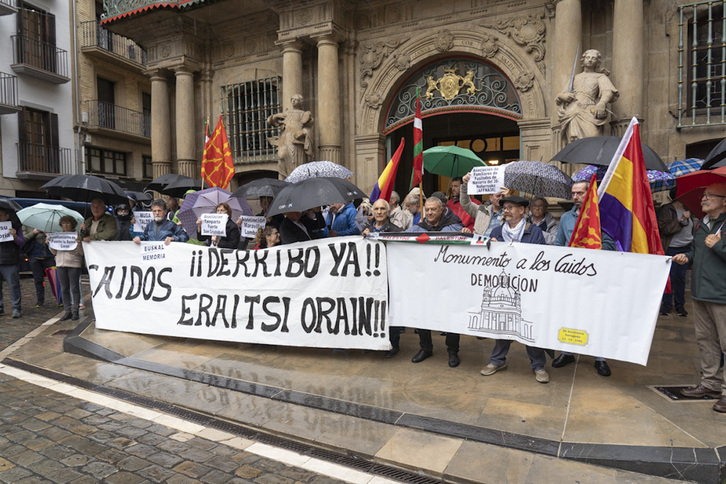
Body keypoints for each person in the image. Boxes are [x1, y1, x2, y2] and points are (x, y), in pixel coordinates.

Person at [480, 196, 550, 383]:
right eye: (505, 208)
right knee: (503, 323)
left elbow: (540, 259)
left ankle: (538, 365)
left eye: (511, 207)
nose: (506, 210)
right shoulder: (496, 231)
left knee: (528, 324)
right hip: (503, 285)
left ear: (522, 211)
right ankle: (497, 360)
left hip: (526, 288)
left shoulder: (534, 232)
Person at [672, 183, 726, 413]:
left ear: (724, 200)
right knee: (706, 341)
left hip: (722, 294)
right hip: (700, 292)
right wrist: (688, 256)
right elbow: (698, 250)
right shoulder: (701, 225)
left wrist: (720, 245)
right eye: (704, 195)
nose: (703, 198)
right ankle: (710, 384)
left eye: (709, 195)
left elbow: (717, 249)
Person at [553, 181, 615, 376]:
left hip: (596, 276)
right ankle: (567, 352)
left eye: (580, 193)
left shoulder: (601, 216)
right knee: (570, 313)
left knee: (596, 316)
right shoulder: (565, 218)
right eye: (573, 193)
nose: (575, 197)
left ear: (589, 194)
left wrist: (589, 249)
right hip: (571, 275)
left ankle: (600, 358)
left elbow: (611, 245)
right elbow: (558, 244)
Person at [406, 197, 464, 367]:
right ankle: (425, 348)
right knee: (423, 313)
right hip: (424, 280)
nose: (430, 213)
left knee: (450, 315)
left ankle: (453, 351)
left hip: (448, 280)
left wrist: (466, 234)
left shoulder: (454, 226)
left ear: (441, 210)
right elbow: (398, 239)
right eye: (427, 209)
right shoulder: (417, 228)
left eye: (433, 209)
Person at [363, 199, 404, 357]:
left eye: (382, 209)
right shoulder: (366, 230)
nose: (379, 212)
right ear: (372, 212)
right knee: (372, 309)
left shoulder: (396, 231)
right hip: (371, 277)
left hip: (388, 277)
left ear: (388, 212)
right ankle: (373, 340)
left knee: (389, 311)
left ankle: (393, 343)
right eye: (376, 209)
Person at [556, 49, 619, 144]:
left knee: (593, 138)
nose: (590, 60)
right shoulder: (575, 77)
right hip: (573, 111)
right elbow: (560, 95)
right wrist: (564, 96)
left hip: (588, 112)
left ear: (597, 62)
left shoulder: (600, 77)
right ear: (583, 60)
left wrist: (602, 103)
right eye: (588, 57)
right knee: (573, 141)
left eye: (593, 58)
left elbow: (608, 91)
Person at [658, 187, 693, 317]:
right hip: (672, 248)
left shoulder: (689, 209)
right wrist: (682, 220)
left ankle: (680, 306)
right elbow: (665, 229)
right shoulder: (667, 209)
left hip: (686, 248)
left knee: (681, 278)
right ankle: (666, 305)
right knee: (670, 278)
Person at [266, 94, 314, 177]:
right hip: (285, 139)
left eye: (296, 99)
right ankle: (286, 176)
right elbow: (270, 121)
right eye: (292, 99)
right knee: (281, 156)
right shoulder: (287, 113)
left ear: (301, 102)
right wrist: (276, 116)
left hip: (297, 141)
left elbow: (309, 128)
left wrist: (303, 132)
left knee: (295, 163)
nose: (294, 101)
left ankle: (294, 179)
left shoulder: (304, 114)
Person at [48, 215, 83, 321]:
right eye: (64, 223)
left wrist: (78, 244)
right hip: (60, 264)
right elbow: (54, 252)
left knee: (74, 288)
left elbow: (81, 253)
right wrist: (50, 244)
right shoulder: (58, 236)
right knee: (64, 289)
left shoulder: (76, 235)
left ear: (72, 224)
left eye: (68, 223)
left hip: (73, 264)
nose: (66, 225)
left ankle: (75, 310)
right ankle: (67, 311)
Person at [460, 172, 509, 236]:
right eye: (498, 196)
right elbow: (466, 204)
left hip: (498, 244)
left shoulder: (508, 212)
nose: (500, 198)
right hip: (479, 244)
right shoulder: (481, 210)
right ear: (491, 198)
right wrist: (464, 185)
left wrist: (508, 199)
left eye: (503, 196)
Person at [22, 226, 55, 308]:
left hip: (49, 255)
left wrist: (48, 234)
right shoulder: (26, 224)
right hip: (34, 255)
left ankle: (60, 299)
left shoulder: (49, 222)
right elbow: (23, 239)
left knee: (55, 279)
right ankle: (40, 300)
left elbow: (58, 236)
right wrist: (33, 232)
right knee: (38, 279)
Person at [0, 208, 24, 318]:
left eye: (0, 216)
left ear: (7, 216)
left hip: (10, 260)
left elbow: (22, 242)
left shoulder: (16, 227)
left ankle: (16, 308)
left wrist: (15, 237)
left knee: (13, 285)